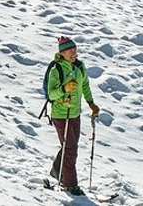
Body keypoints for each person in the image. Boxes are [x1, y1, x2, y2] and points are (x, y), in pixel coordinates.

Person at [45, 36, 100, 194]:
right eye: (70, 50)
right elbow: (51, 94)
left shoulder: (80, 67)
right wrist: (64, 90)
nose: (74, 52)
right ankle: (70, 184)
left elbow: (85, 86)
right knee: (70, 148)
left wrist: (91, 104)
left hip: (75, 113)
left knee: (71, 147)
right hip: (61, 115)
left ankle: (57, 171)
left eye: (75, 49)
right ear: (62, 53)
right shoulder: (57, 70)